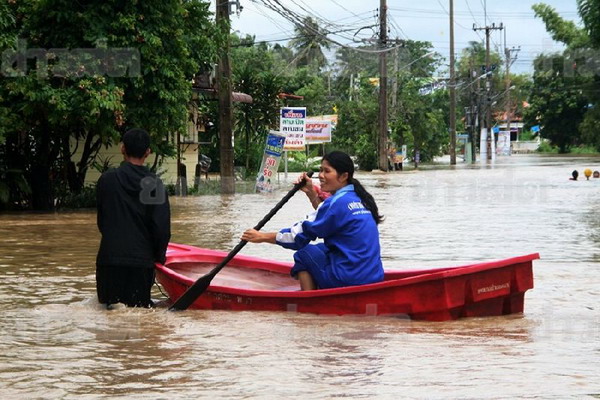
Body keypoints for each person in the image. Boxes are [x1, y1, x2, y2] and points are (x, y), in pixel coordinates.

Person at [241, 151, 384, 291]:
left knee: (304, 252)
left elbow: (297, 237)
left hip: (348, 278)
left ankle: (309, 300)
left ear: (344, 176)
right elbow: (326, 218)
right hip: (374, 276)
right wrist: (311, 192)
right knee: (322, 248)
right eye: (320, 170)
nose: (321, 175)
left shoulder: (336, 203)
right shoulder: (360, 198)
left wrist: (262, 237)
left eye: (327, 171)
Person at [96, 128, 171, 308]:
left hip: (109, 260)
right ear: (148, 152)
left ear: (122, 149)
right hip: (140, 263)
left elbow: (103, 221)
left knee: (110, 316)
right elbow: (160, 228)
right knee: (138, 317)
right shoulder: (153, 184)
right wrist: (158, 257)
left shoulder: (107, 180)